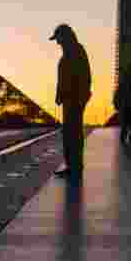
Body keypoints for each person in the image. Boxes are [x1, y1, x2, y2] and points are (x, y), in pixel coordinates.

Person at [50, 24, 91, 182]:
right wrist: (59, 95)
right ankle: (72, 167)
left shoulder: (76, 51)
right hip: (69, 99)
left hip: (74, 100)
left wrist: (81, 98)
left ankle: (74, 167)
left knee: (72, 134)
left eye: (58, 38)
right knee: (70, 134)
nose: (57, 42)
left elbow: (84, 77)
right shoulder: (70, 51)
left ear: (65, 36)